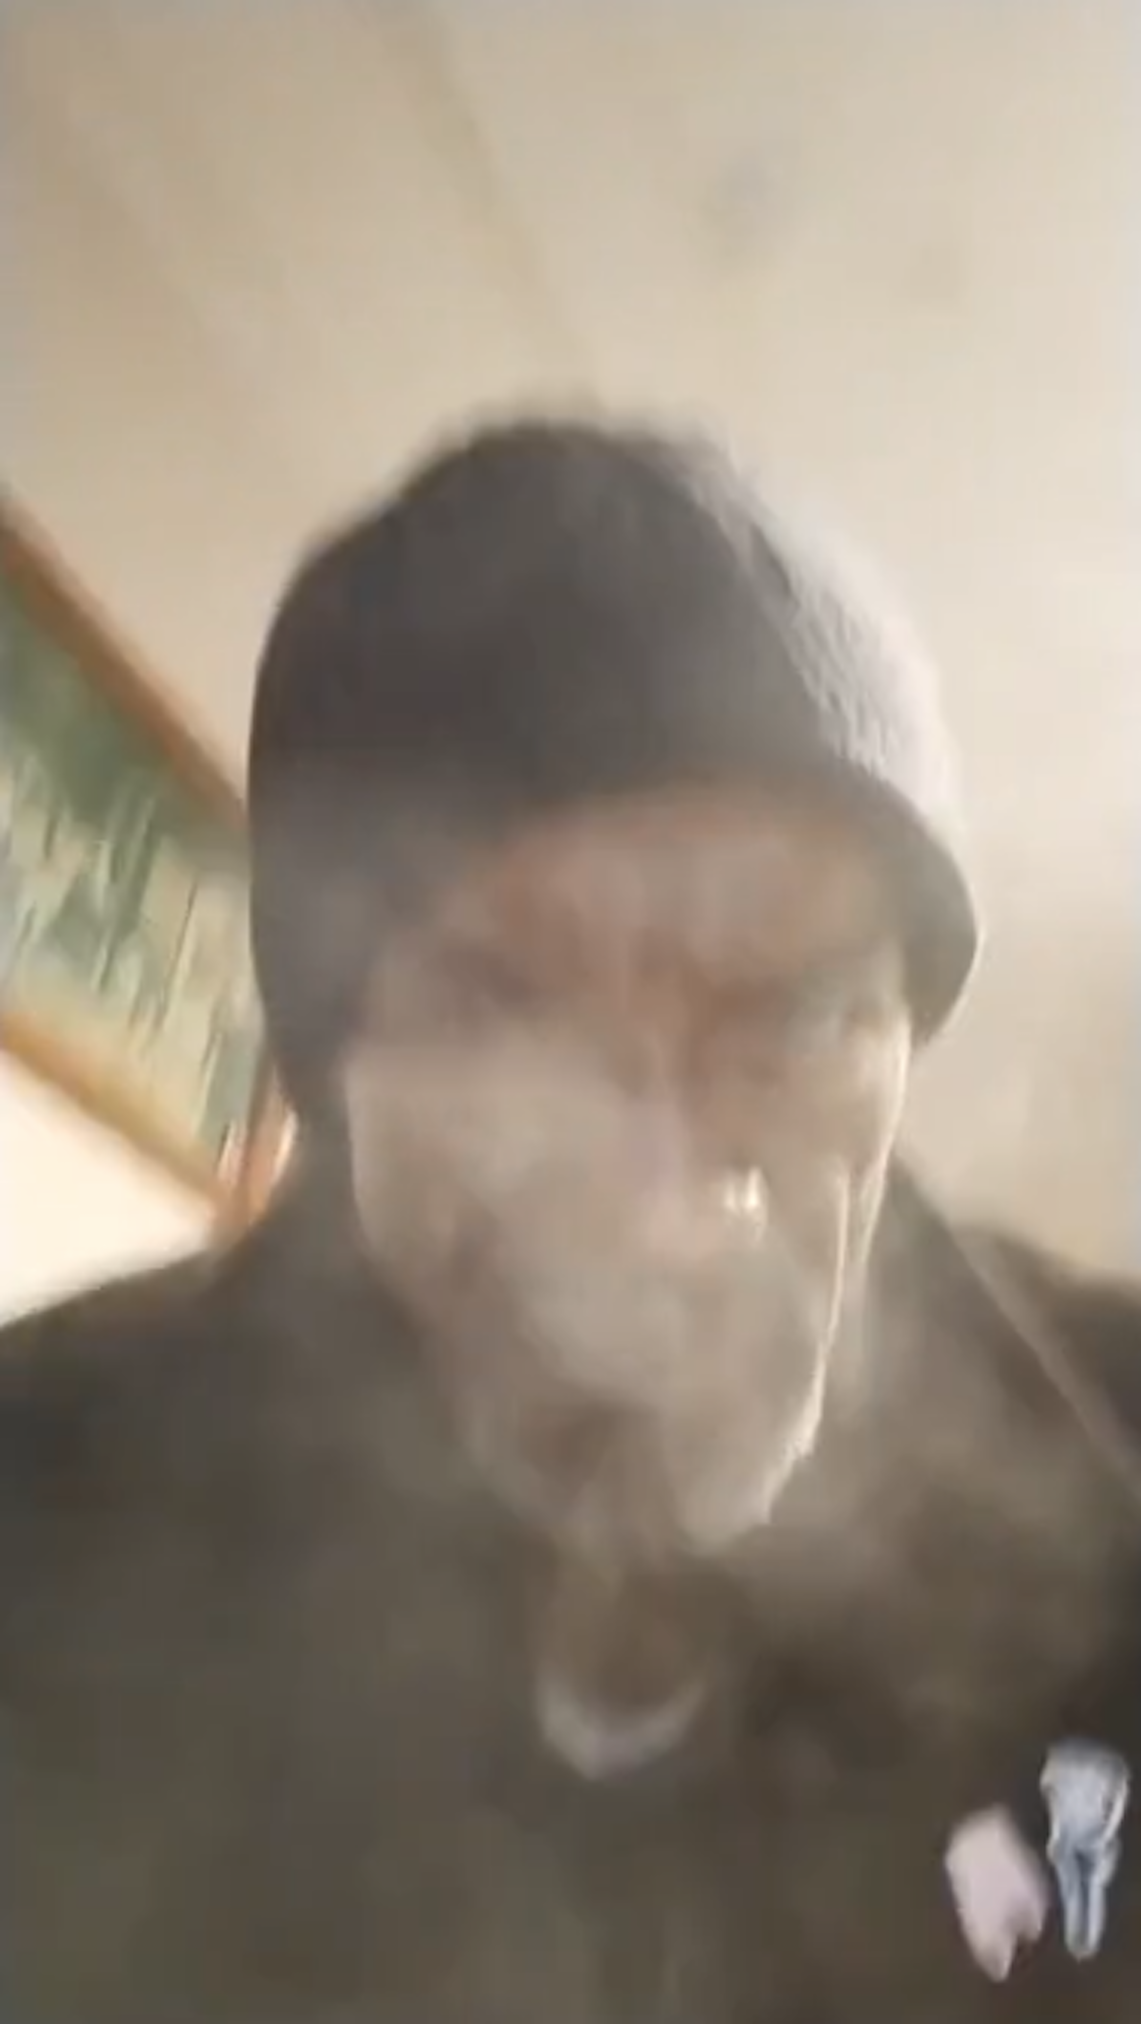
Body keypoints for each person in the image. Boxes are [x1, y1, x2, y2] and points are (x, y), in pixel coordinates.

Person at [2, 413, 1141, 2022]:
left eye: (801, 1018)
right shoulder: (45, 1508)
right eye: (499, 1010)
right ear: (334, 1078)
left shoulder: (1113, 1476)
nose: (671, 1221)